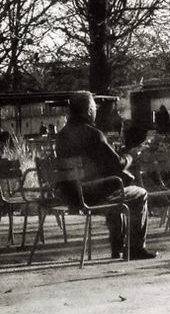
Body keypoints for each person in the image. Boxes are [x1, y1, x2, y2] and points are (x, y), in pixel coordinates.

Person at [55, 91, 156, 260]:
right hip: (92, 196)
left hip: (70, 195)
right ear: (88, 111)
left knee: (114, 187)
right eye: (95, 107)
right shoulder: (93, 134)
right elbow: (116, 164)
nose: (96, 111)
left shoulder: (62, 136)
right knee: (138, 193)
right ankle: (135, 248)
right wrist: (130, 156)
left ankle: (118, 248)